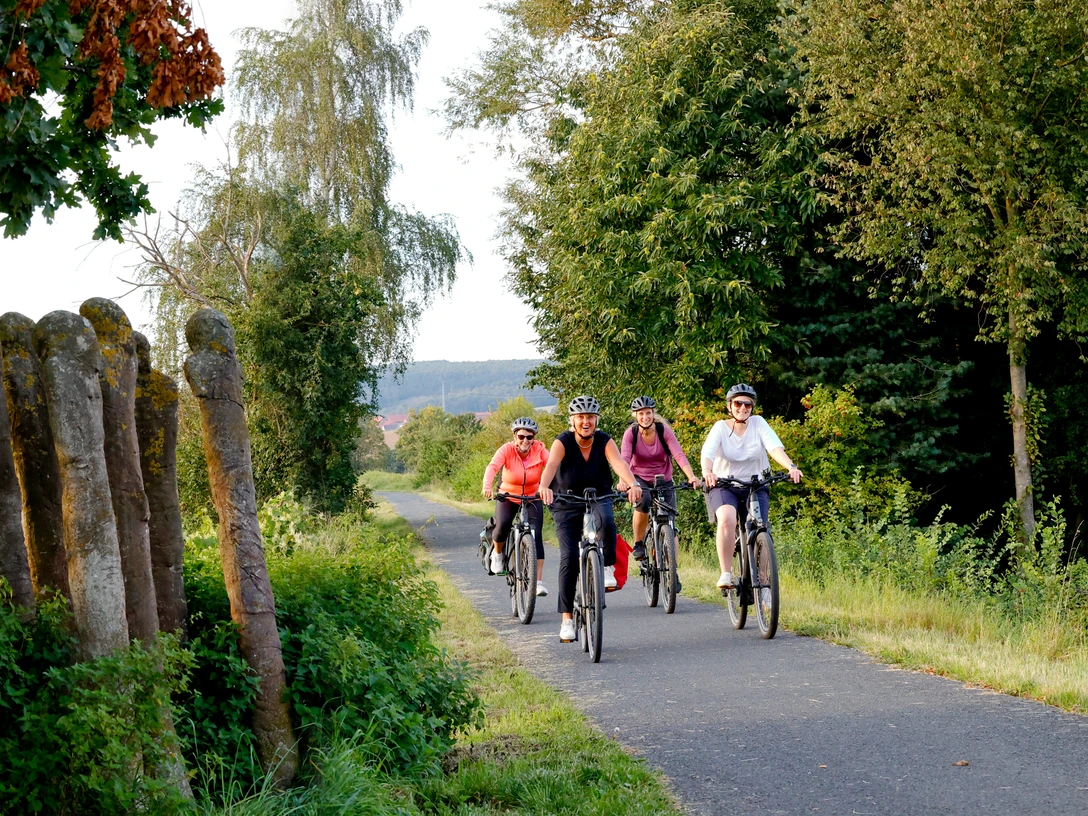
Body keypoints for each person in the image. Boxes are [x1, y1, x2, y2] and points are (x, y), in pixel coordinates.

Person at [539, 395, 642, 642]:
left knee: (606, 520)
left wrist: (633, 483)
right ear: (572, 420)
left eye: (590, 417)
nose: (586, 422)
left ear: (596, 420)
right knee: (569, 558)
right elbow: (551, 465)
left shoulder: (604, 440)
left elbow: (618, 463)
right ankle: (566, 619)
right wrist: (544, 487)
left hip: (598, 495)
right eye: (581, 417)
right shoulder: (562, 441)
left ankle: (605, 566)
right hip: (566, 502)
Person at [700, 383, 802, 589]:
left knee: (761, 527)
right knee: (727, 520)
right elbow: (708, 454)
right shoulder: (720, 427)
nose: (743, 407)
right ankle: (726, 574)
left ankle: (764, 584)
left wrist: (791, 466)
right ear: (730, 405)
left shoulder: (758, 423)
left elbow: (774, 447)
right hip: (724, 485)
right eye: (738, 403)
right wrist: (707, 472)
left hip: (756, 485)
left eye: (748, 404)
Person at [620, 397, 701, 578]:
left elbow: (679, 455)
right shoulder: (631, 434)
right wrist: (623, 480)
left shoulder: (663, 431)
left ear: (653, 414)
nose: (645, 417)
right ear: (636, 416)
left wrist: (691, 477)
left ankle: (673, 573)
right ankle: (639, 543)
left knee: (670, 522)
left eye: (648, 413)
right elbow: (624, 459)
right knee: (644, 502)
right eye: (641, 414)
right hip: (638, 478)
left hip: (663, 479)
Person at [482, 417, 550, 596]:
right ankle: (497, 555)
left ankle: (538, 582)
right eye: (521, 436)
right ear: (515, 436)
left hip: (532, 496)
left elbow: (553, 466)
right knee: (503, 525)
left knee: (536, 535)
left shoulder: (540, 450)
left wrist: (554, 487)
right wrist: (487, 486)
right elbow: (492, 467)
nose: (525, 441)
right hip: (508, 495)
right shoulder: (506, 449)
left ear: (534, 437)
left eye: (529, 437)